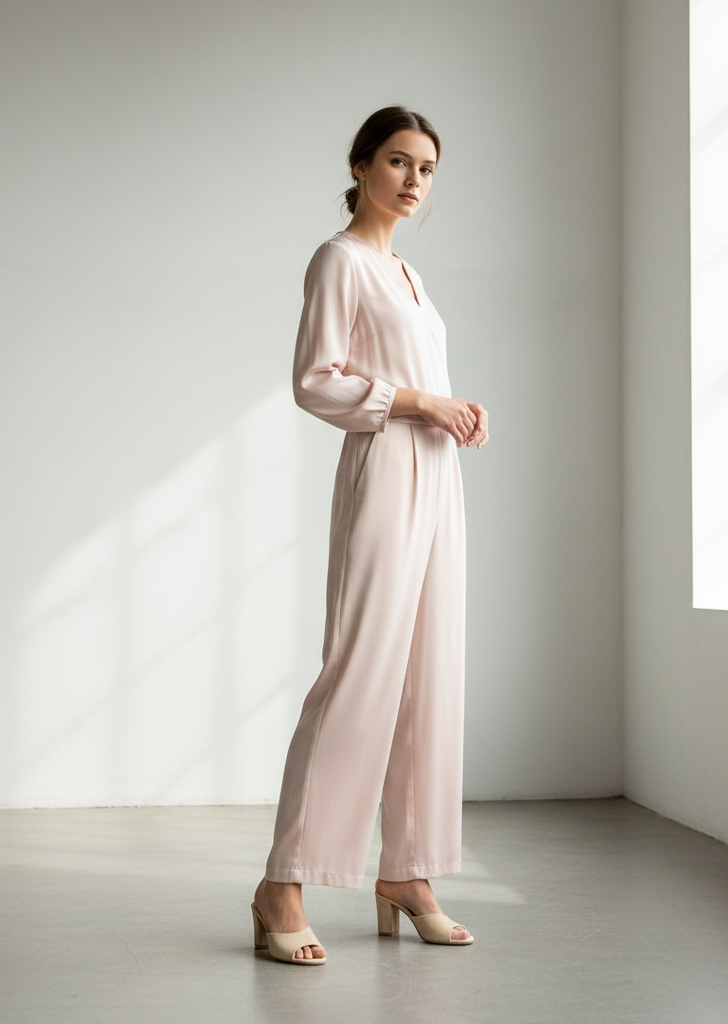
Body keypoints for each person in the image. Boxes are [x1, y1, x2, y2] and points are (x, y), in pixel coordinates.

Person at [251, 106, 489, 965]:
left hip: (439, 474)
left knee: (431, 672)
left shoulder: (411, 276)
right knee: (359, 671)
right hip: (385, 468)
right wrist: (421, 401)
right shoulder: (340, 260)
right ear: (359, 166)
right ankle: (283, 881)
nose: (413, 180)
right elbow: (315, 380)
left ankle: (409, 870)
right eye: (397, 161)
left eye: (426, 168)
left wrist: (455, 407)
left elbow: (419, 375)